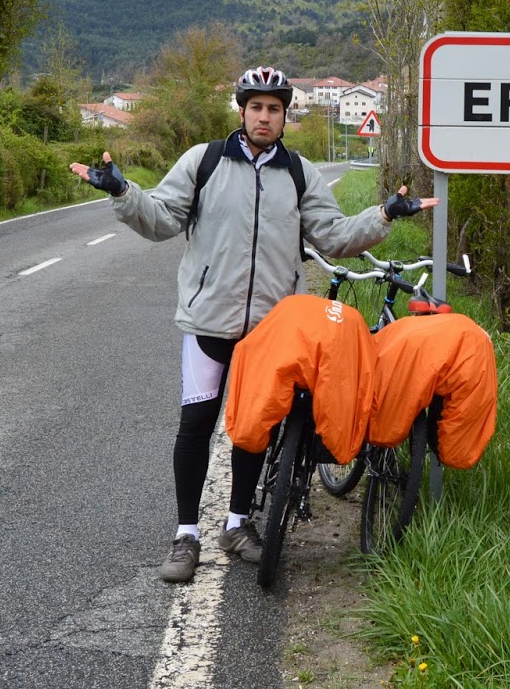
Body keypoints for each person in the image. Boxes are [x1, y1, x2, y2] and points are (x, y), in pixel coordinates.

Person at [69, 66, 435, 583]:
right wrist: (122, 192)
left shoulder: (299, 173)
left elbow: (334, 236)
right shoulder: (205, 161)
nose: (265, 117)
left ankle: (238, 525)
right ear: (242, 111)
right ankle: (186, 535)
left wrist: (385, 214)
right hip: (209, 321)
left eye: (274, 109)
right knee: (196, 426)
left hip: (272, 329)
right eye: (256, 107)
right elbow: (162, 218)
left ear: (285, 116)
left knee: (255, 426)